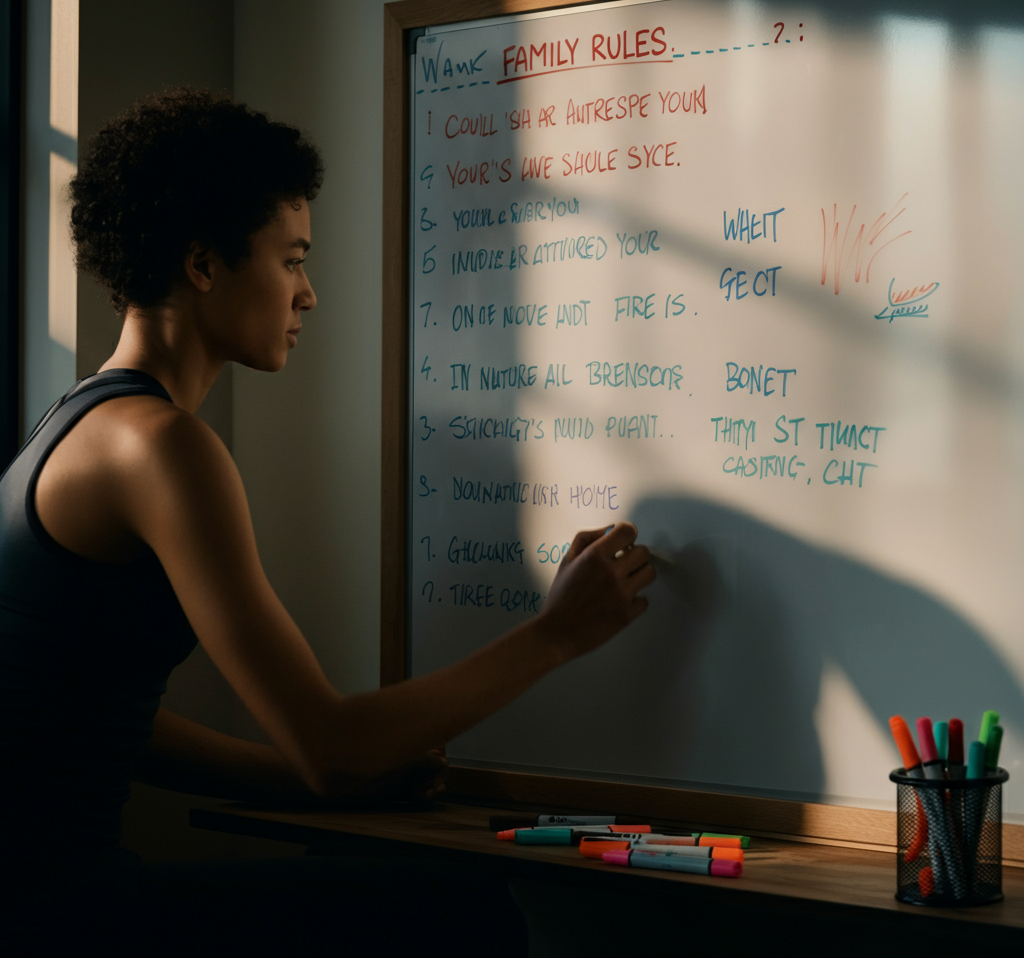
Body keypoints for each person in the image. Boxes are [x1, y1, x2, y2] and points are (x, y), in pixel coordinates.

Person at [0, 89, 655, 955]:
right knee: (467, 914)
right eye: (292, 260)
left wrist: (319, 786)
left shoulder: (75, 421)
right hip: (52, 913)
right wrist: (557, 633)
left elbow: (107, 719)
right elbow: (333, 744)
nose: (308, 294)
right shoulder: (163, 448)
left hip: (34, 900)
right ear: (202, 265)